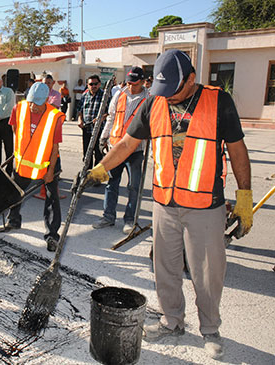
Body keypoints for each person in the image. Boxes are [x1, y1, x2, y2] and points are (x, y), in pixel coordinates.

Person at [84, 49, 253, 360]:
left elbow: (238, 150)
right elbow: (127, 142)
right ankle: (172, 321)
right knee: (165, 269)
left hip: (205, 204)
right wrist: (102, 167)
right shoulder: (155, 101)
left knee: (207, 272)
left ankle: (210, 328)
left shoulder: (219, 102)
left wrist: (244, 196)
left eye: (173, 90)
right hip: (164, 202)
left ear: (191, 80)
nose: (167, 97)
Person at [6, 82, 65, 251]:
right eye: (31, 101)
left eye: (38, 103)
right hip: (24, 161)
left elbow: (55, 148)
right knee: (15, 191)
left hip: (47, 163)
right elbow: (15, 129)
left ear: (46, 100)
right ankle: (14, 219)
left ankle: (52, 235)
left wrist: (51, 171)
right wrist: (19, 154)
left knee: (52, 198)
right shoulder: (19, 108)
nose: (33, 106)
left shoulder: (55, 117)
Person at [93, 66, 149, 233]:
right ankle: (108, 216)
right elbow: (111, 118)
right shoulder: (119, 94)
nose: (131, 87)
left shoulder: (149, 99)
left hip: (135, 150)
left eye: (135, 83)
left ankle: (130, 220)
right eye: (129, 82)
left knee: (133, 186)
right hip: (116, 147)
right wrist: (104, 137)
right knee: (112, 183)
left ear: (143, 82)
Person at [78, 75, 106, 171]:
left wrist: (100, 119)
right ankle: (86, 174)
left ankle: (96, 177)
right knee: (86, 153)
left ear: (99, 84)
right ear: (87, 85)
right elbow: (80, 110)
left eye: (95, 84)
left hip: (99, 129)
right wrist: (80, 120)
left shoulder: (104, 96)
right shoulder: (84, 96)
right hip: (87, 129)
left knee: (98, 154)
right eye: (91, 84)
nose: (93, 86)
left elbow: (109, 112)